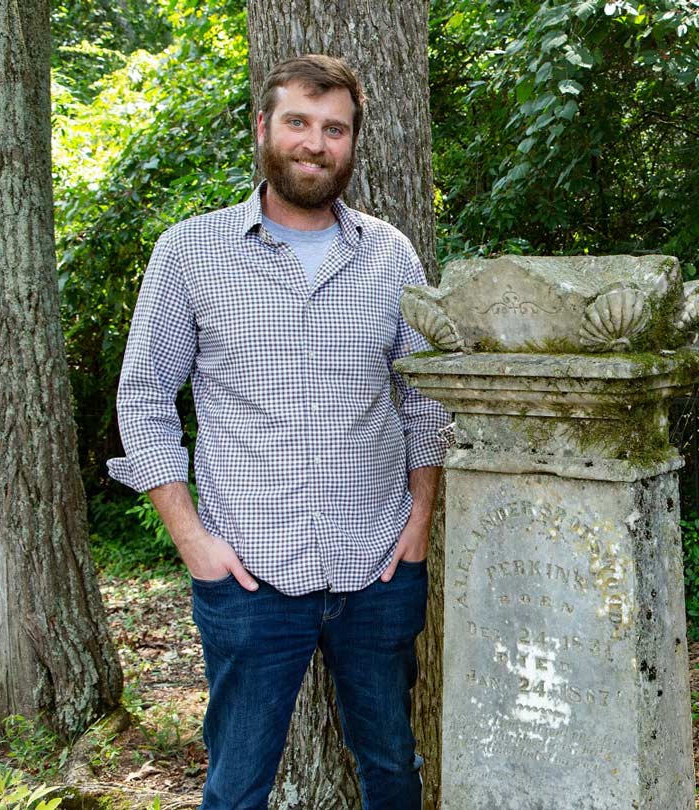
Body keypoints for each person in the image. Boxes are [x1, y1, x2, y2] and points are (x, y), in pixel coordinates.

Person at [109, 54, 448, 810]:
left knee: (394, 768)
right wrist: (193, 541)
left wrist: (420, 521)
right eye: (298, 122)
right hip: (248, 573)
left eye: (334, 129)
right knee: (236, 785)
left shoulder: (391, 255)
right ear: (264, 128)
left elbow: (426, 398)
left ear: (353, 144)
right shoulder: (189, 253)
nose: (314, 143)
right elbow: (143, 398)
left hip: (379, 566)